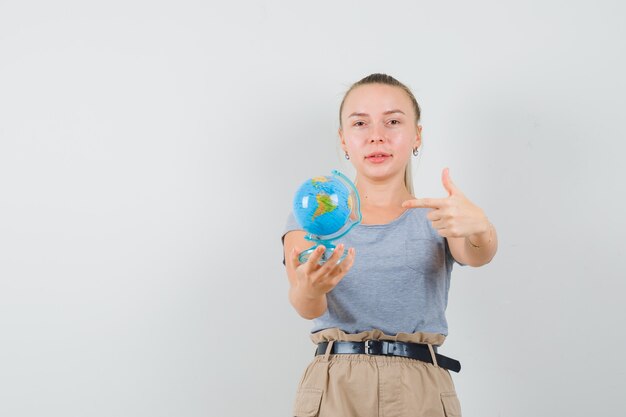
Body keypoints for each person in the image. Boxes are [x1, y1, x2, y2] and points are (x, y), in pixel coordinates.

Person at [281, 73, 498, 417]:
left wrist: (481, 228)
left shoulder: (440, 215)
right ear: (343, 140)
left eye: (393, 121)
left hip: (420, 387)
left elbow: (477, 253)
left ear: (417, 135)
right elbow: (305, 304)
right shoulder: (313, 217)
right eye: (360, 123)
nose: (376, 136)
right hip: (335, 384)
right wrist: (310, 287)